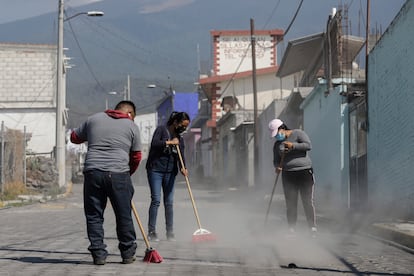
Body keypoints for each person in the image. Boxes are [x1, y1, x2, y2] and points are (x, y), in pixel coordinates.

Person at [70, 100, 142, 265]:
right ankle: (127, 253)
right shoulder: (131, 126)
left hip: (93, 172)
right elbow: (136, 156)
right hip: (118, 174)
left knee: (94, 215)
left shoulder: (93, 119)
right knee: (123, 214)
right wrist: (127, 173)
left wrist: (92, 134)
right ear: (130, 114)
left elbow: (74, 138)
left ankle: (98, 254)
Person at [146, 111, 190, 242]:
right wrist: (170, 142)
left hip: (170, 172)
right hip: (155, 170)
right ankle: (152, 231)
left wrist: (184, 167)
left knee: (169, 202)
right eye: (183, 125)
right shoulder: (161, 130)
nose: (184, 128)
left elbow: (181, 154)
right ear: (175, 122)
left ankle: (170, 232)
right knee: (156, 200)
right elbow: (154, 144)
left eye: (186, 126)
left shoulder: (180, 138)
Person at [268, 118, 317, 236]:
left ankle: (312, 227)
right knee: (291, 202)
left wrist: (293, 146)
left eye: (277, 133)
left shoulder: (298, 133)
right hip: (288, 174)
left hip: (304, 172)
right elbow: (276, 160)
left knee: (307, 201)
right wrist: (277, 166)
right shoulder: (277, 145)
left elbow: (308, 145)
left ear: (283, 128)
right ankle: (291, 228)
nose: (277, 137)